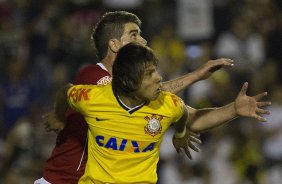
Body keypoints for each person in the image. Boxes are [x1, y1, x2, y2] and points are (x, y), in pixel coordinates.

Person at [36, 11, 234, 184]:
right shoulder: (93, 75)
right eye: (134, 34)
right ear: (114, 44)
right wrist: (195, 76)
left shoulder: (143, 95)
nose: (143, 40)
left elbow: (192, 117)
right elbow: (132, 91)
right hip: (62, 179)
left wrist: (235, 109)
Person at [55, 42, 270, 183]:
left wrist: (233, 109)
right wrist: (57, 116)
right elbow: (66, 92)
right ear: (128, 81)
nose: (158, 77)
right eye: (149, 74)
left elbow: (190, 117)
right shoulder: (92, 99)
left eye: (155, 70)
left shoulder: (167, 104)